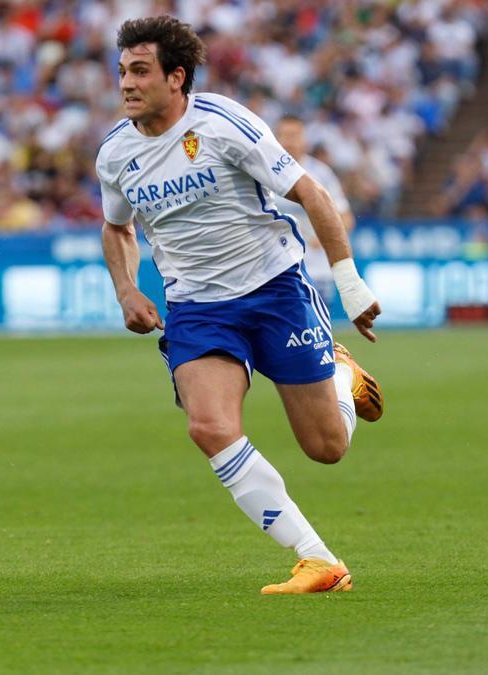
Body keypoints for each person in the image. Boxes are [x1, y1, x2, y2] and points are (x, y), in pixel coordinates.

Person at [96, 15, 385, 595]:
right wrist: (127, 290)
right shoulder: (115, 154)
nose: (126, 83)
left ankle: (339, 376)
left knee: (326, 448)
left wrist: (350, 286)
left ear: (177, 78)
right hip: (197, 309)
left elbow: (310, 193)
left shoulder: (225, 124)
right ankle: (317, 559)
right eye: (123, 70)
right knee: (208, 426)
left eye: (141, 71)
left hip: (275, 290)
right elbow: (117, 227)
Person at [271, 115, 356, 303]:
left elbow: (346, 217)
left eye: (295, 135)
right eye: (285, 135)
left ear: (305, 140)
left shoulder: (321, 174)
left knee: (317, 327)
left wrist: (324, 235)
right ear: (275, 139)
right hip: (276, 268)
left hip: (316, 269)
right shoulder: (263, 173)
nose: (290, 141)